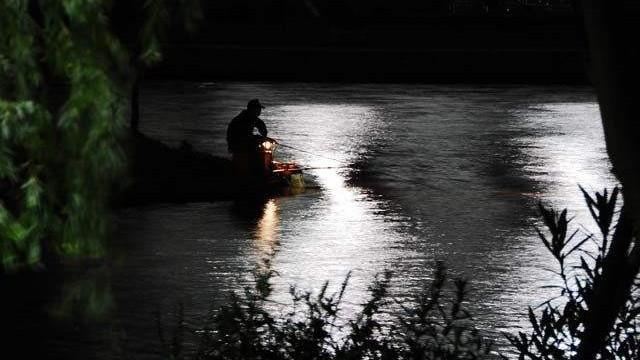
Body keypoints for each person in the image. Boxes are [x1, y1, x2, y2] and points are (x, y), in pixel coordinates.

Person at [226, 99, 269, 179]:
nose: (260, 111)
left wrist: (263, 136)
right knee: (259, 154)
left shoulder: (251, 118)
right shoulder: (243, 119)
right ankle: (258, 175)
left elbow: (261, 127)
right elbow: (243, 136)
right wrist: (258, 138)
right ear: (253, 109)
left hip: (239, 143)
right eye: (258, 109)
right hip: (238, 145)